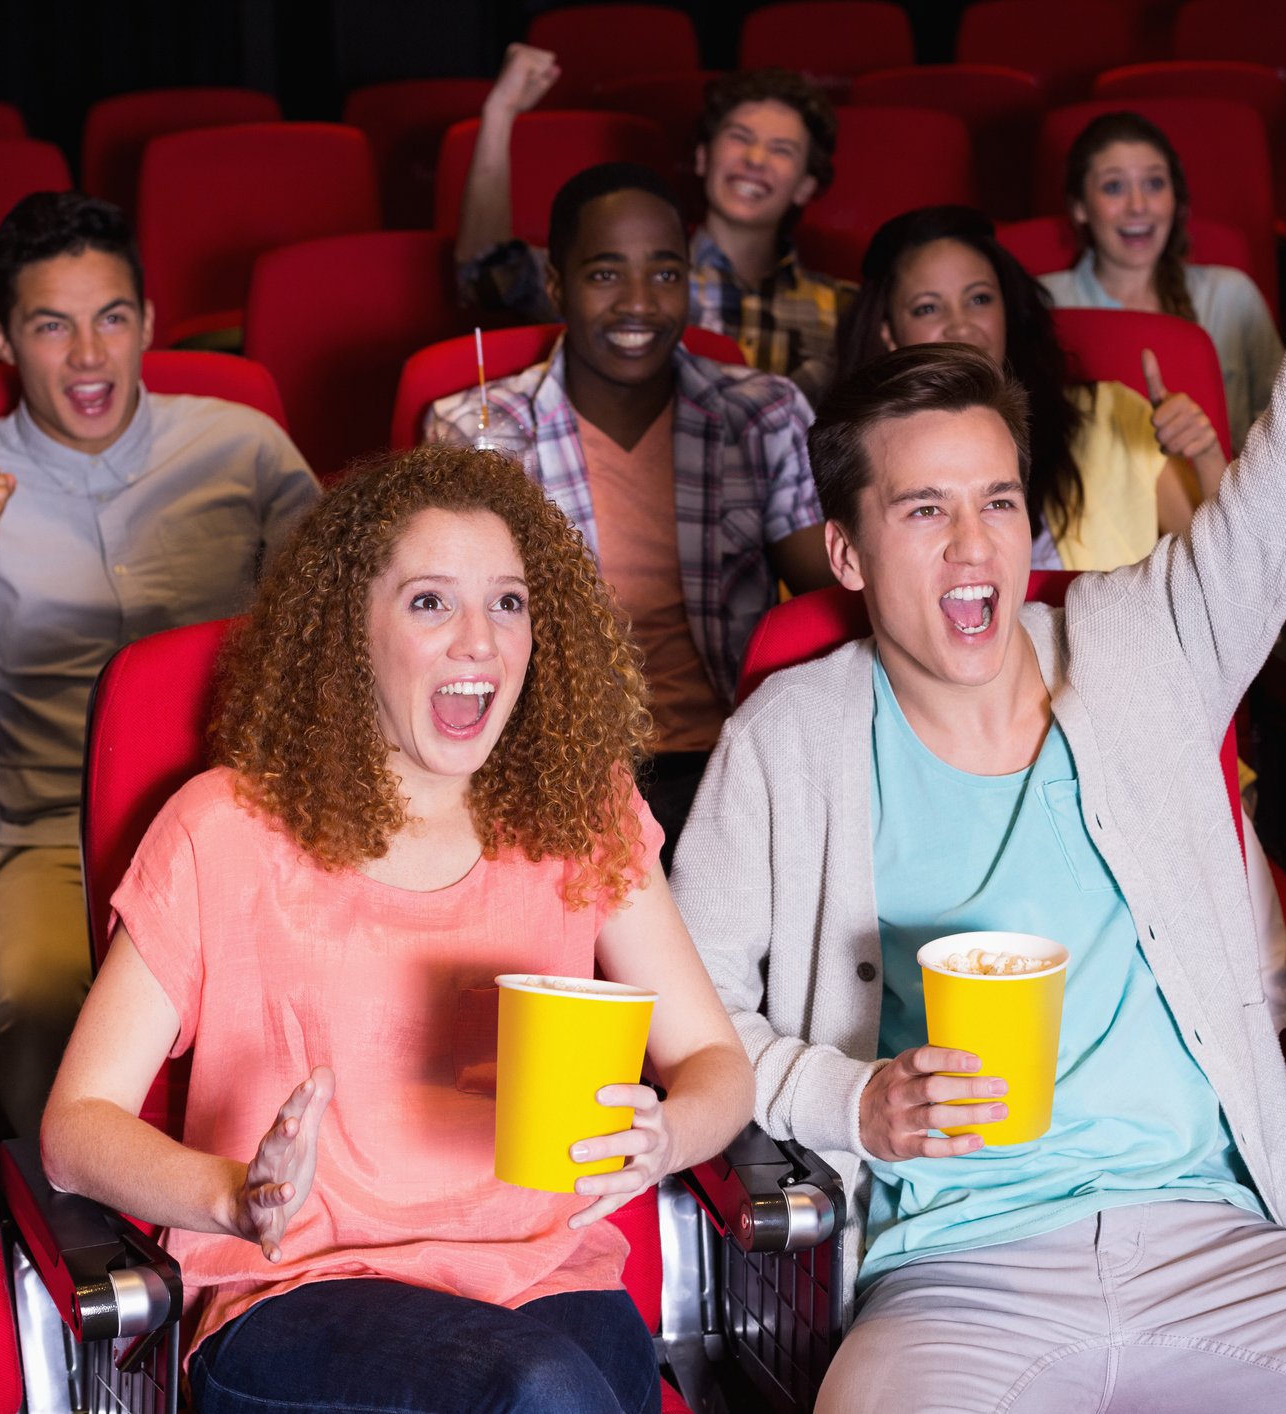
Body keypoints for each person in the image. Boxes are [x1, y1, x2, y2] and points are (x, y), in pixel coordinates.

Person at [676, 5, 1286, 1409]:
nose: (974, 549)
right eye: (924, 512)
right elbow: (692, 1016)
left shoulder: (1143, 643)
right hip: (954, 1273)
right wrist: (853, 1101)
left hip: (1215, 1240)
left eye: (999, 504)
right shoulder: (792, 735)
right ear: (845, 552)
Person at [41, 444, 754, 1414]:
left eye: (509, 602)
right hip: (293, 1294)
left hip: (544, 1275)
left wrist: (668, 1133)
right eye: (430, 602)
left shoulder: (579, 808)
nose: (479, 641)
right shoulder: (225, 827)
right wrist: (232, 1196)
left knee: (580, 1386)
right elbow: (74, 1130)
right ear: (350, 631)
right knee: (544, 1392)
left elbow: (717, 1058)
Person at [0, 191, 319, 1137]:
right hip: (53, 838)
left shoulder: (242, 449)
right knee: (33, 1006)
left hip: (254, 816)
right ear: (1, 339)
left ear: (149, 324)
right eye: (52, 326)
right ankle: (91, 1259)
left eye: (111, 318)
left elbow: (337, 646)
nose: (88, 355)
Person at [427, 163, 834, 857]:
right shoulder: (476, 429)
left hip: (729, 761)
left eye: (666, 274)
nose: (639, 303)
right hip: (557, 769)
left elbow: (824, 592)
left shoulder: (760, 414)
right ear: (557, 285)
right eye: (605, 275)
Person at [839, 204, 1229, 573]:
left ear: (1008, 311)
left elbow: (1222, 571)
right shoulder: (864, 448)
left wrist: (1208, 456)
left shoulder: (1112, 413)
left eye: (979, 299)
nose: (960, 326)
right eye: (927, 308)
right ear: (888, 333)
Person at [457, 47, 853, 405]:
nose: (754, 158)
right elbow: (483, 272)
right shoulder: (611, 280)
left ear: (806, 184)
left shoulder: (845, 310)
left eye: (781, 150)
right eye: (739, 137)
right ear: (701, 157)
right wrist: (500, 112)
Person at [1040, 110, 1284, 447]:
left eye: (1154, 184)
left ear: (1175, 199)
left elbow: (1281, 428)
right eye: (1114, 187)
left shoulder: (1231, 295)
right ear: (1080, 206)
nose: (1138, 206)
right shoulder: (1045, 304)